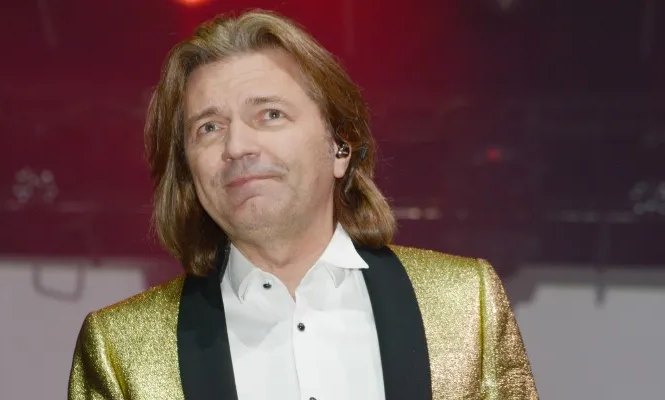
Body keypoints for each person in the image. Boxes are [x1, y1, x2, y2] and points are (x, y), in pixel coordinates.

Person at [68, 9, 537, 400]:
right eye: (209, 127)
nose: (237, 146)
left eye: (270, 114)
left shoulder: (465, 304)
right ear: (188, 169)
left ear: (340, 147)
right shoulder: (121, 350)